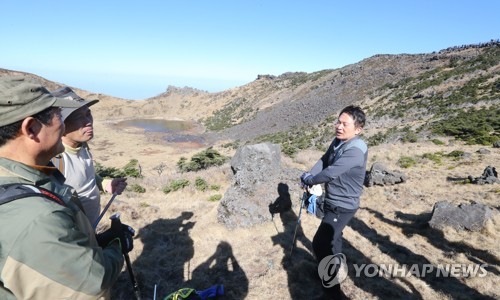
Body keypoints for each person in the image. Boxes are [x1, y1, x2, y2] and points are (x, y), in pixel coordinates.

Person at [0, 76, 132, 299]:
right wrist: (116, 247)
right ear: (31, 128)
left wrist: (104, 185)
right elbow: (90, 283)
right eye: (58, 116)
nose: (61, 125)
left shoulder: (34, 172)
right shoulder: (39, 218)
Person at [300, 105, 367, 297]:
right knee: (333, 239)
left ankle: (333, 290)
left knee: (320, 243)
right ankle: (331, 269)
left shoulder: (356, 150)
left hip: (343, 206)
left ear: (358, 129)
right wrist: (309, 174)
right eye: (338, 121)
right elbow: (324, 160)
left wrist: (311, 180)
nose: (339, 126)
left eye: (344, 124)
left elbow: (331, 172)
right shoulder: (338, 141)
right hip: (332, 200)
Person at [50, 86, 127, 226]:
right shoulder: (54, 160)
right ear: (60, 124)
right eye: (78, 117)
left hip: (91, 228)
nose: (88, 121)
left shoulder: (82, 146)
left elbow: (86, 175)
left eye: (88, 114)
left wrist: (106, 184)